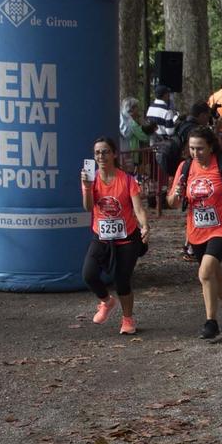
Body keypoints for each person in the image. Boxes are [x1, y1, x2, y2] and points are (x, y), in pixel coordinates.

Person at [168, 125, 222, 340]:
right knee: (214, 275)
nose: (195, 153)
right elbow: (171, 202)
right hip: (197, 231)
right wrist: (177, 195)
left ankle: (210, 322)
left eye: (200, 148)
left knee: (205, 272)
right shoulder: (185, 168)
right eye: (191, 148)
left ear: (211, 147)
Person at [80, 136, 151, 335]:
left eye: (105, 152)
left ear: (114, 154)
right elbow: (88, 207)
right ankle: (106, 301)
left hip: (127, 237)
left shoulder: (127, 180)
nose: (101, 156)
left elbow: (138, 207)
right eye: (97, 153)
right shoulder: (91, 179)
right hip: (101, 236)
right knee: (89, 274)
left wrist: (145, 225)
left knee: (122, 280)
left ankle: (127, 319)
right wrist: (86, 187)